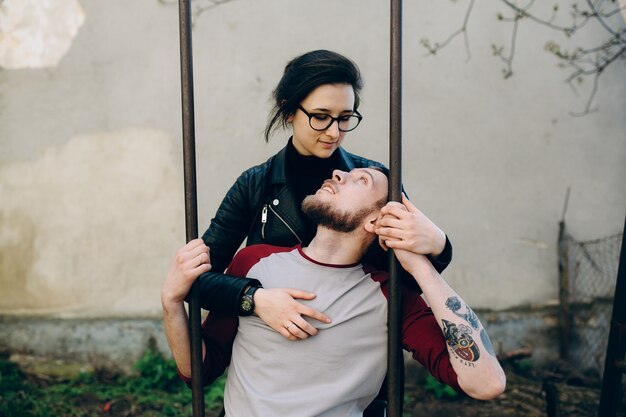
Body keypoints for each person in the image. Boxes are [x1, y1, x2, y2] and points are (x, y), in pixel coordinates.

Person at [162, 167, 506, 416]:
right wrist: (172, 303)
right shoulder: (253, 262)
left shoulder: (389, 296)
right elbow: (199, 369)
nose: (339, 172)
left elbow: (486, 384)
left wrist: (419, 264)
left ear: (376, 221)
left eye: (361, 179)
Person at [187, 49, 453, 341]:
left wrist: (439, 247)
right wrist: (255, 298)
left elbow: (406, 285)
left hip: (359, 354)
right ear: (288, 110)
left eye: (345, 118)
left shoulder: (377, 182)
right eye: (320, 117)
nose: (334, 132)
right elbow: (195, 281)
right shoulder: (255, 184)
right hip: (274, 355)